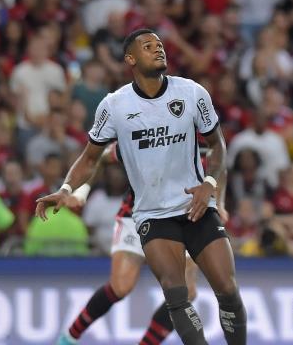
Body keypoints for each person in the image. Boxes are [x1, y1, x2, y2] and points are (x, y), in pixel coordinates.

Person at [36, 29, 246, 345]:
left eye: (160, 45)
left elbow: (218, 147)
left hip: (196, 205)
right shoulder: (115, 106)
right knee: (167, 293)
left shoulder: (191, 93)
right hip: (149, 214)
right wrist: (70, 189)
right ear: (130, 59)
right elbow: (93, 157)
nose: (158, 49)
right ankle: (70, 336)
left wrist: (212, 187)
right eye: (148, 46)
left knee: (227, 290)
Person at [55, 143, 201, 345]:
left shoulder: (196, 134)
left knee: (185, 292)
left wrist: (217, 202)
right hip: (136, 218)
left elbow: (219, 166)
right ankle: (69, 338)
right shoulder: (139, 136)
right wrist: (82, 191)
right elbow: (99, 157)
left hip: (180, 220)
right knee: (120, 287)